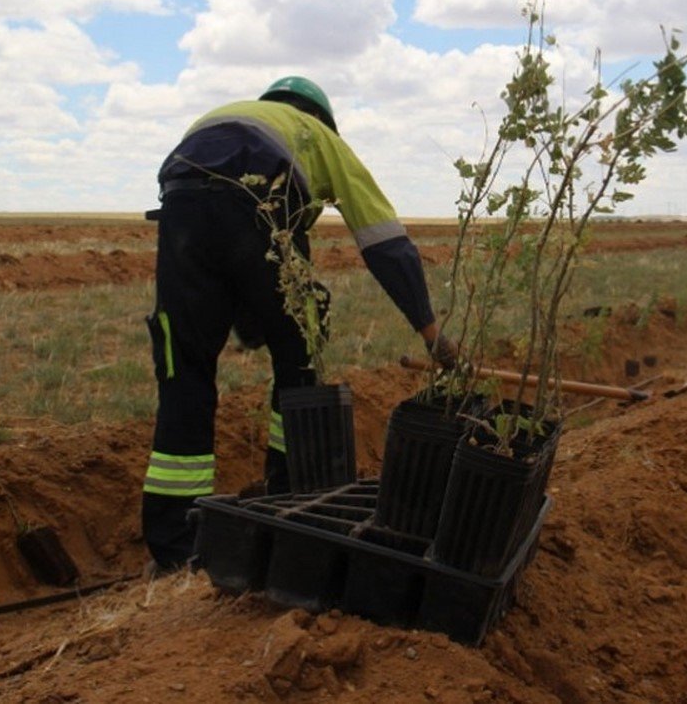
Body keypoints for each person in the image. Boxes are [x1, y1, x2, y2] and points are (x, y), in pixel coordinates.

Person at [142, 76, 456, 571]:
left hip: (180, 204)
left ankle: (176, 547)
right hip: (263, 192)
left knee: (185, 371)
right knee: (301, 352)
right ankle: (289, 502)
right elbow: (385, 242)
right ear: (322, 119)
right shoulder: (321, 138)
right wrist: (430, 331)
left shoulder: (221, 116)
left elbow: (214, 220)